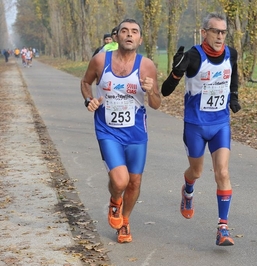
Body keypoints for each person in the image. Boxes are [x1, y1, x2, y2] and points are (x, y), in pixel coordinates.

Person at [161, 12, 241, 246]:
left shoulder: (231, 53)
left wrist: (233, 96)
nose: (220, 36)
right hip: (195, 126)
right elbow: (166, 91)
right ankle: (188, 190)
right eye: (215, 31)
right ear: (204, 32)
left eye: (223, 32)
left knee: (223, 173)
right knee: (196, 172)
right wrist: (175, 73)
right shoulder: (193, 57)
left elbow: (233, 74)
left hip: (220, 124)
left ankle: (223, 228)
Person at [80, 18, 161, 243]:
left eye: (134, 32)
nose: (129, 35)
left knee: (134, 182)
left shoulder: (147, 66)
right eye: (124, 31)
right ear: (116, 37)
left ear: (140, 39)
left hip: (136, 132)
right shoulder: (99, 60)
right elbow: (85, 83)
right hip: (108, 130)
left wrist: (151, 90)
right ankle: (115, 200)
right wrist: (89, 100)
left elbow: (156, 103)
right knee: (120, 181)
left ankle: (124, 221)